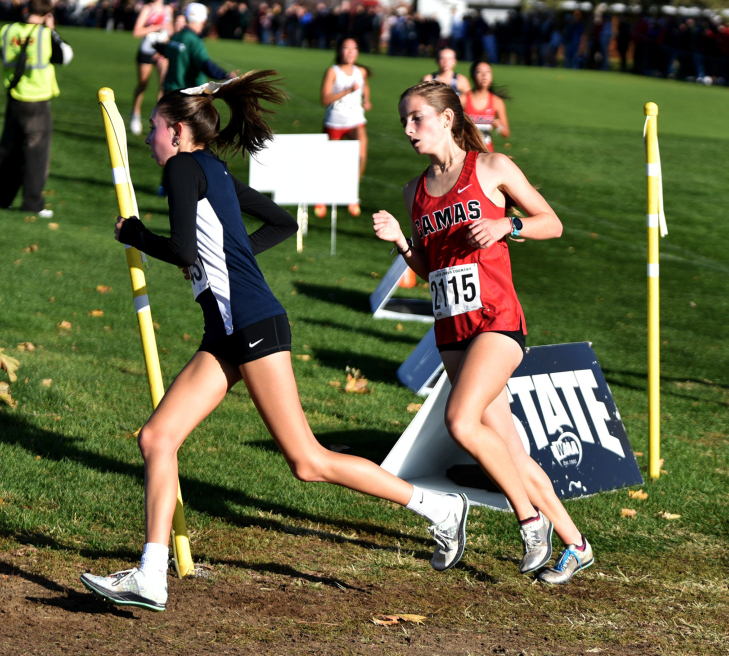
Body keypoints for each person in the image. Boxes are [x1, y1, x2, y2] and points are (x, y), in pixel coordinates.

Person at [80, 71, 471, 612]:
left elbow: (188, 252)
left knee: (307, 460)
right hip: (226, 329)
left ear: (175, 131)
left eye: (153, 127)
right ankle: (151, 574)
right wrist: (235, 260)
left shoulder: (183, 169)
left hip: (252, 323)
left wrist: (136, 235)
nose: (149, 137)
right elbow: (282, 223)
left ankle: (438, 507)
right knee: (157, 439)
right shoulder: (211, 167)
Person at [372, 81, 595, 585]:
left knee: (460, 420)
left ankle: (530, 522)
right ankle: (576, 544)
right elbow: (430, 269)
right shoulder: (414, 191)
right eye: (404, 120)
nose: (407, 129)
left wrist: (507, 227)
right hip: (451, 328)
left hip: (497, 321)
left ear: (447, 119)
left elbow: (551, 223)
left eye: (416, 118)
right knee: (511, 452)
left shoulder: (491, 167)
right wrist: (402, 244)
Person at [0, 0, 72, 219]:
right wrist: (52, 31)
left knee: (8, 151)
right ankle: (33, 203)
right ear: (48, 13)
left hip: (15, 96)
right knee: (36, 155)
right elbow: (65, 56)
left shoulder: (9, 30)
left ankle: (0, 199)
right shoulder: (45, 34)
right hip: (37, 99)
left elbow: (2, 54)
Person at [320, 36, 370, 216]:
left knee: (361, 156)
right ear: (340, 51)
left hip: (356, 120)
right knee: (330, 160)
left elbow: (364, 87)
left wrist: (367, 100)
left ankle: (351, 195)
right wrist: (347, 90)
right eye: (346, 48)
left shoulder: (361, 71)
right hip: (335, 121)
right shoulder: (333, 71)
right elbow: (325, 99)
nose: (350, 52)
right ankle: (323, 196)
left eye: (354, 48)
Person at [162, 3, 236, 95]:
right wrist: (226, 76)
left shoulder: (176, 37)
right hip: (187, 94)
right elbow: (205, 65)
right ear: (203, 20)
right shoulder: (194, 41)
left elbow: (164, 51)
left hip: (169, 91)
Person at [129, 0, 173, 136]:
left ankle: (159, 120)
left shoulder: (168, 9)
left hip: (163, 51)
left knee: (163, 85)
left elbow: (170, 30)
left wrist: (169, 33)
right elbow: (136, 32)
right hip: (147, 50)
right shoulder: (147, 9)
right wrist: (156, 27)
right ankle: (135, 113)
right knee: (143, 84)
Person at [461, 61, 509, 153]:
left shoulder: (497, 101)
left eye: (488, 72)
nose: (484, 75)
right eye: (479, 72)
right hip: (465, 153)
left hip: (486, 153)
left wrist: (499, 126)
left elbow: (506, 133)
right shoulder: (463, 100)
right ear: (472, 76)